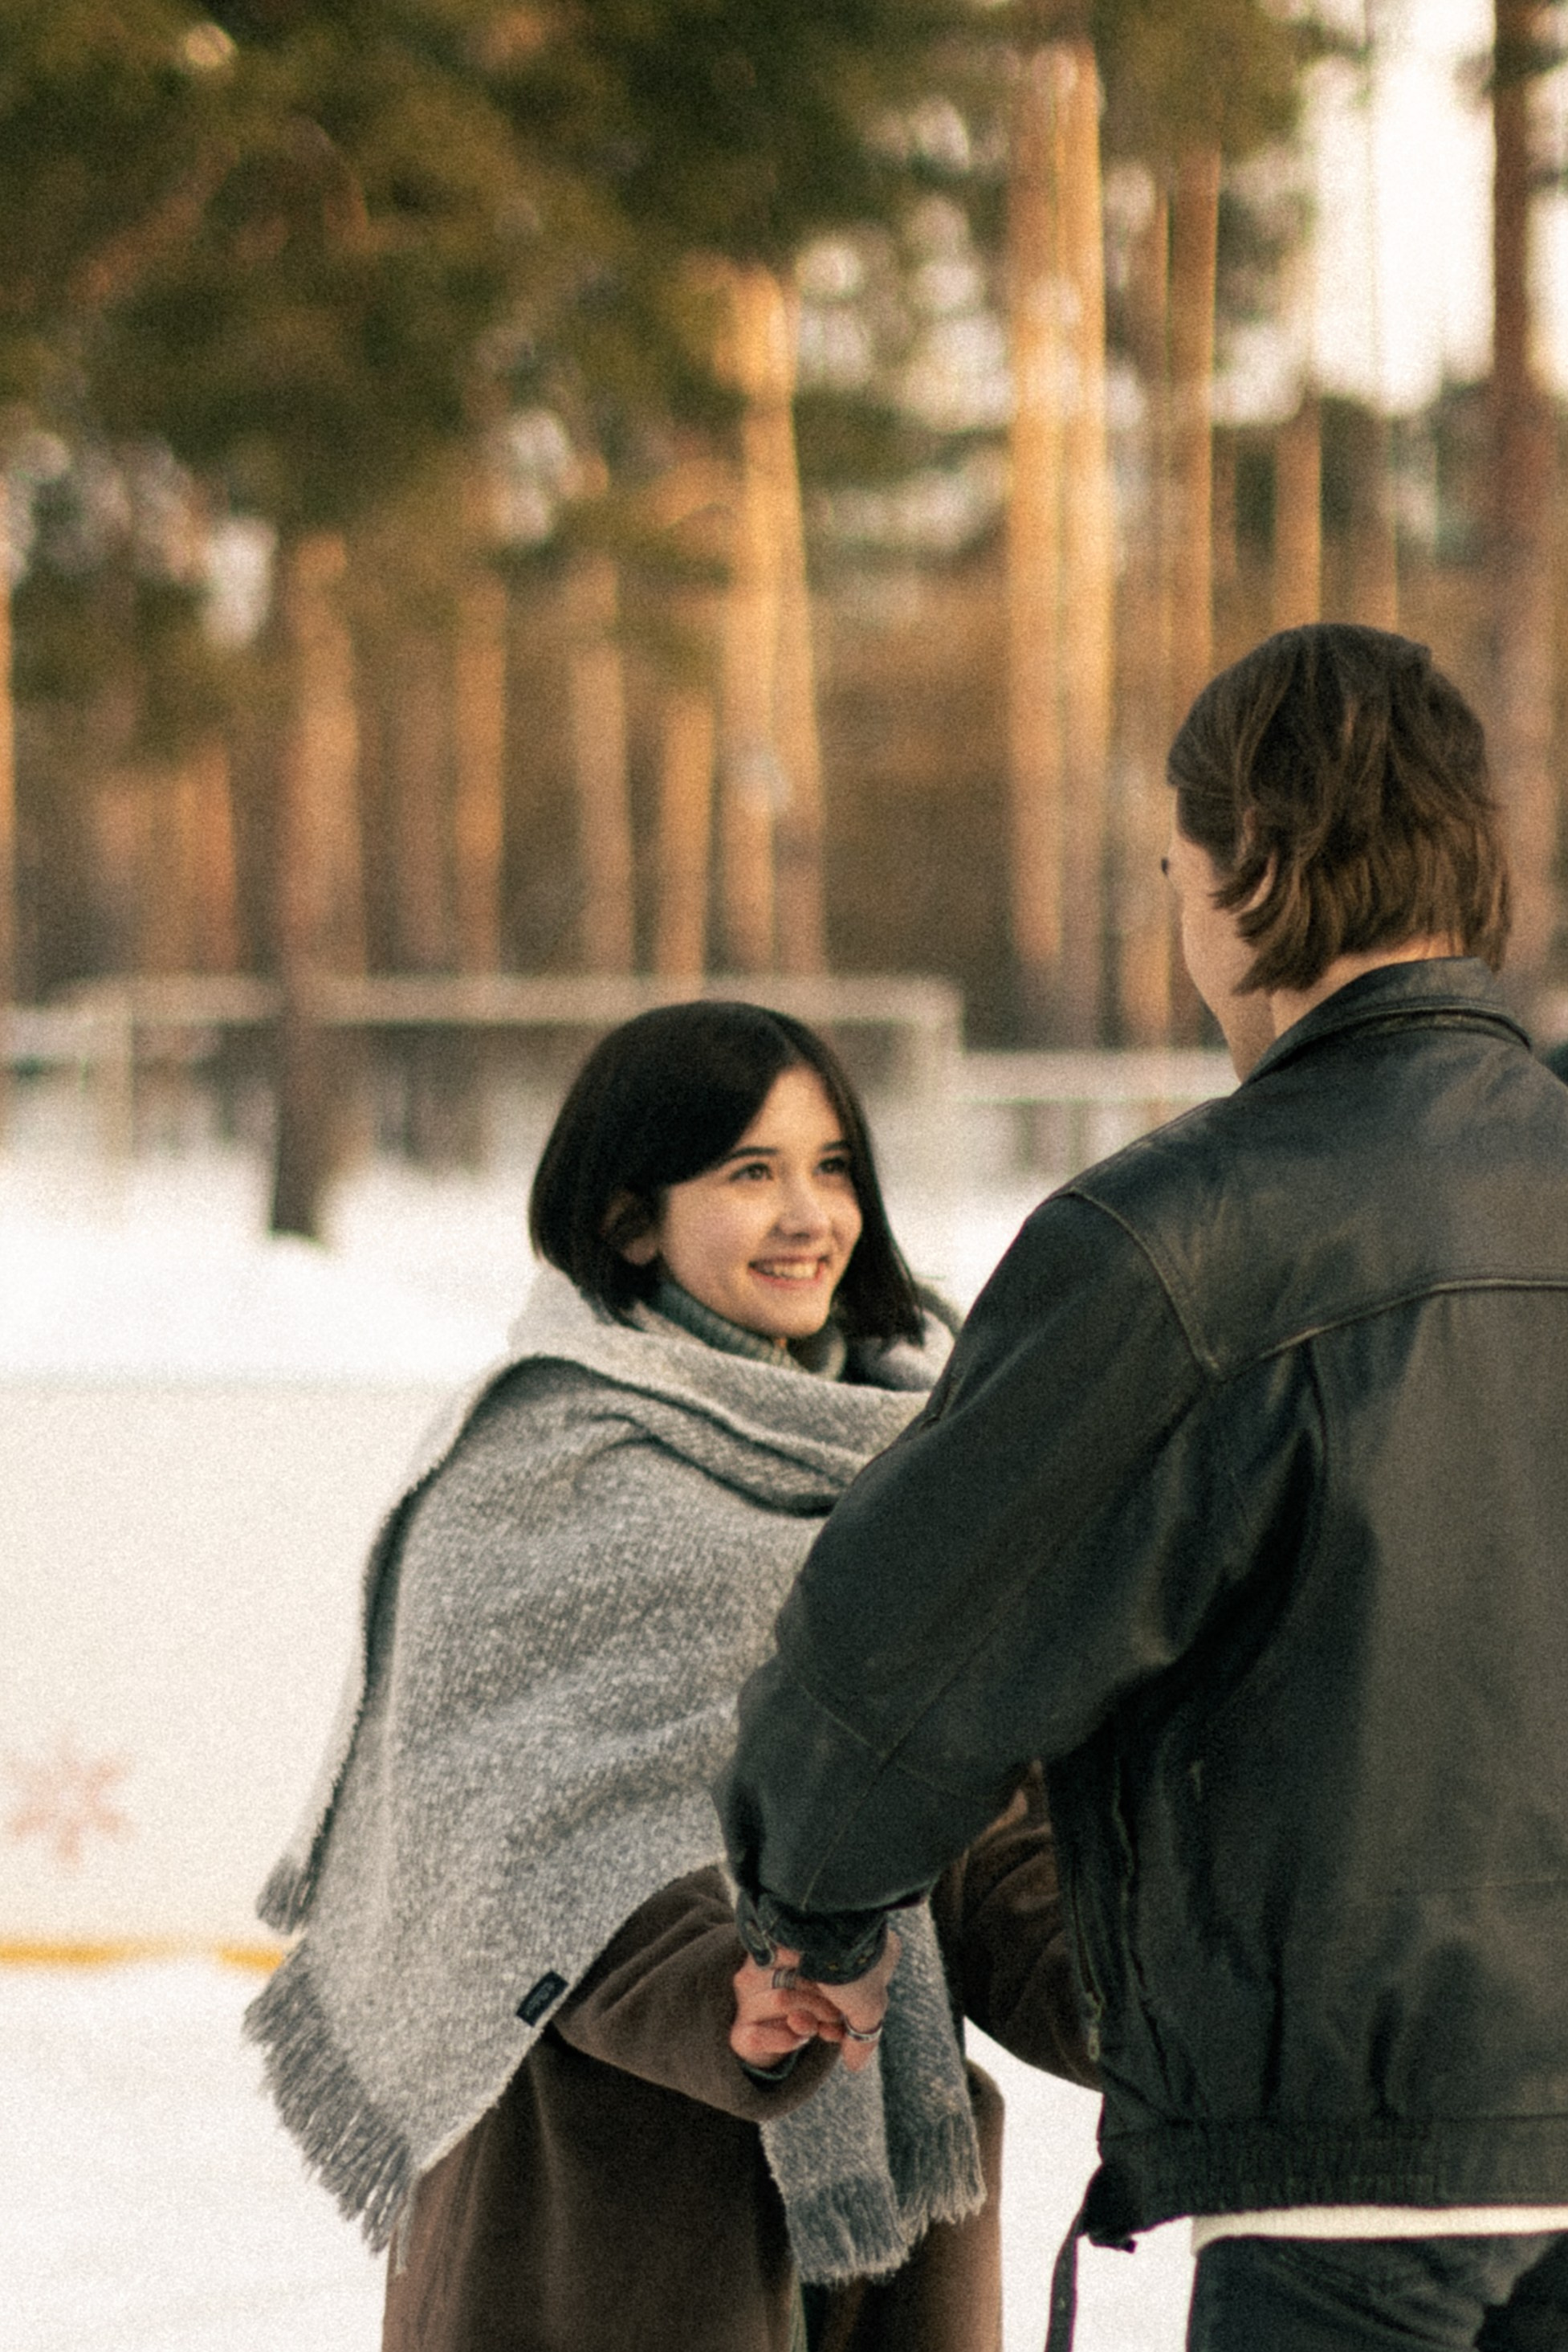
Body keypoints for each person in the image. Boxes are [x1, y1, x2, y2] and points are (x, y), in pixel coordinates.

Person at [717, 625, 1568, 2352]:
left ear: (1249, 869)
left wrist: (812, 1906)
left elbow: (898, 1650)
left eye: (1175, 875)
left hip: (1353, 2159)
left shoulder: (1177, 1246)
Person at [246, 999, 1092, 2352]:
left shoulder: (920, 1479)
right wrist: (735, 1992)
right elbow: (515, 1848)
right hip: (609, 2215)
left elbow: (979, 1831)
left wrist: (1151, 1996)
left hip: (886, 2207)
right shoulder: (533, 1478)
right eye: (751, 1173)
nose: (809, 1213)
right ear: (634, 1219)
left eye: (831, 1167)